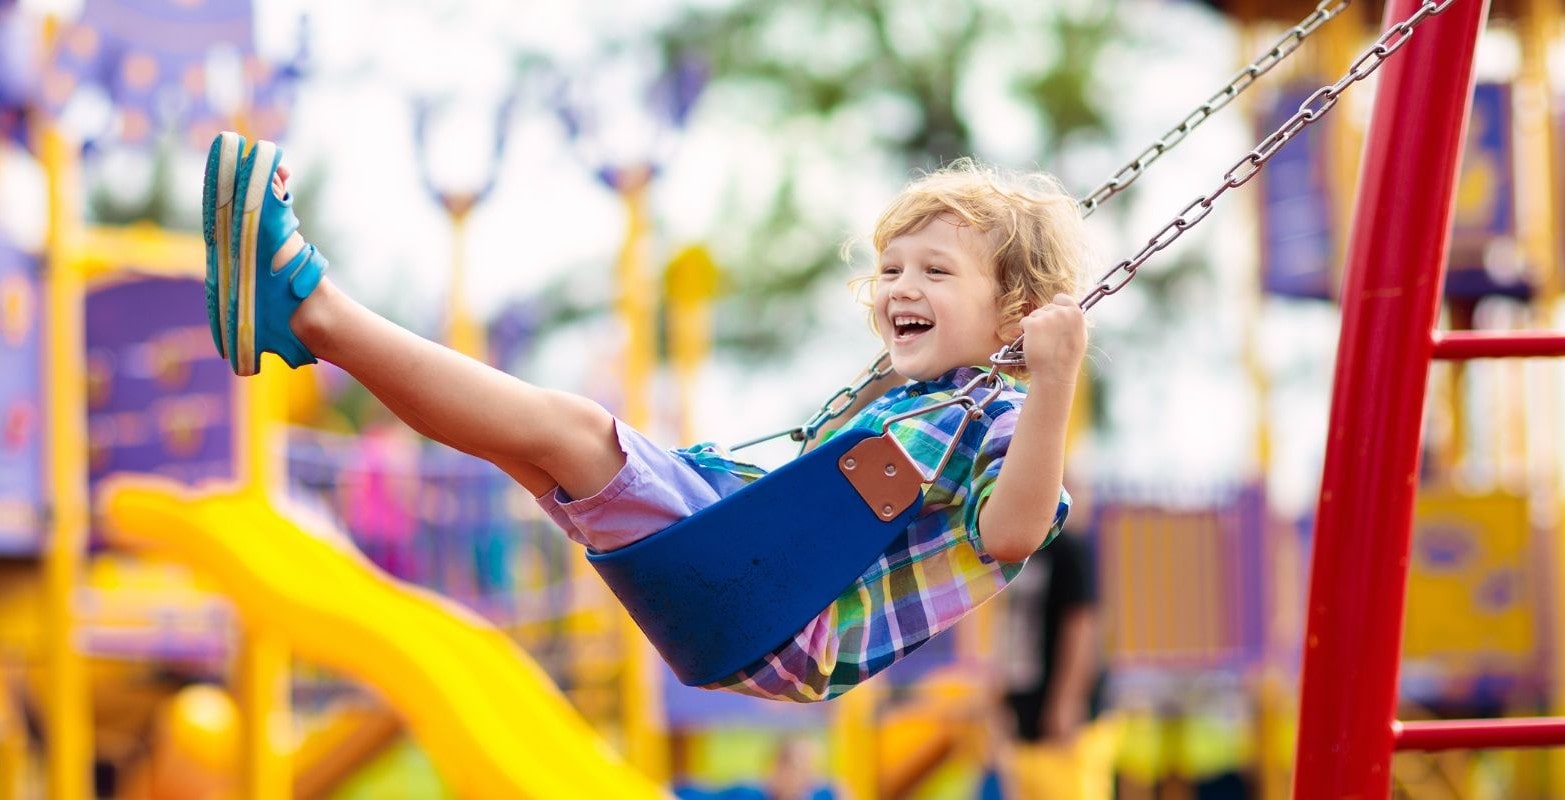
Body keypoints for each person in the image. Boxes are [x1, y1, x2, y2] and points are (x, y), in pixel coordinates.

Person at [201, 132, 1090, 702]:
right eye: (891, 268)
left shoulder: (1003, 418)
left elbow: (1012, 533)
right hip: (744, 583)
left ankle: (310, 306)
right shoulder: (913, 405)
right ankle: (300, 325)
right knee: (525, 442)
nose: (901, 286)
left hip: (777, 612)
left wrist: (1052, 383)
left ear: (1016, 315)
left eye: (936, 272)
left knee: (569, 431)